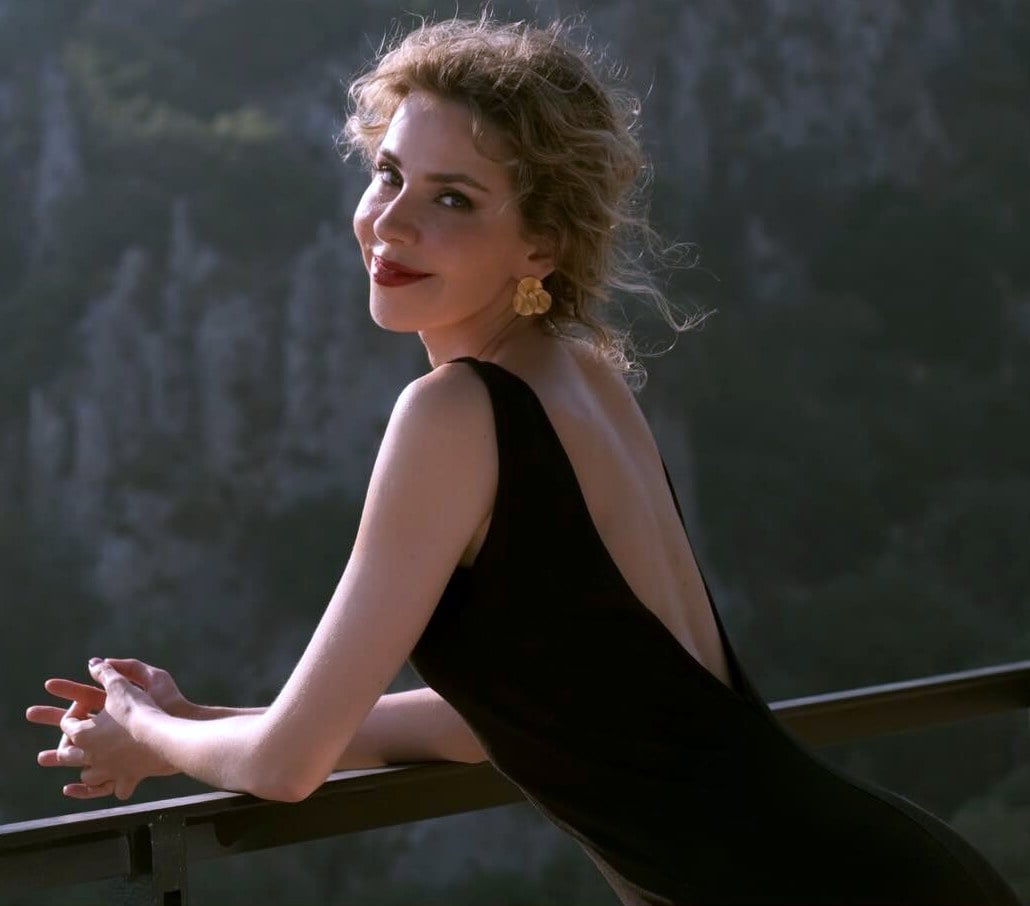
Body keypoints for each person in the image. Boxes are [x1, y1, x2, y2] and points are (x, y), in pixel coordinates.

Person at [26, 15, 1019, 906]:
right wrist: (201, 719)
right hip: (885, 866)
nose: (393, 223)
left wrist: (143, 729)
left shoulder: (454, 412)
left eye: (453, 199)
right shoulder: (580, 372)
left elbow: (287, 768)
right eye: (388, 174)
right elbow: (498, 720)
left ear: (540, 244)